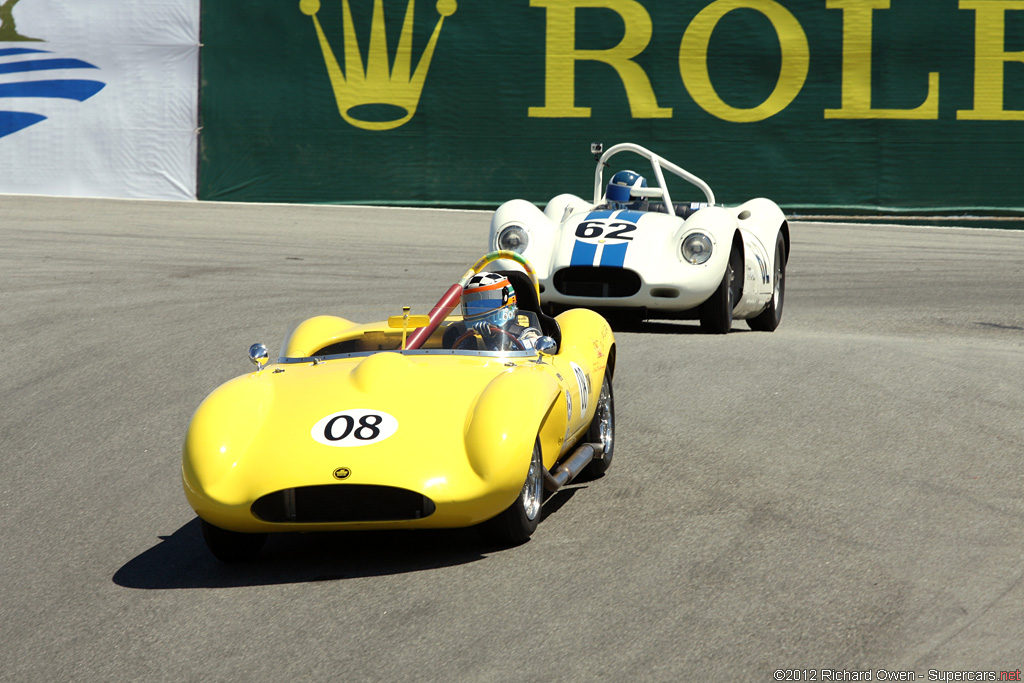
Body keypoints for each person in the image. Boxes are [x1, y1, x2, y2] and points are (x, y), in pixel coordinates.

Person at [443, 272, 542, 351]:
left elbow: (540, 347)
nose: (480, 308)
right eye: (475, 306)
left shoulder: (525, 334)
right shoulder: (461, 335)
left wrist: (492, 339)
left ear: (507, 300)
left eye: (488, 304)